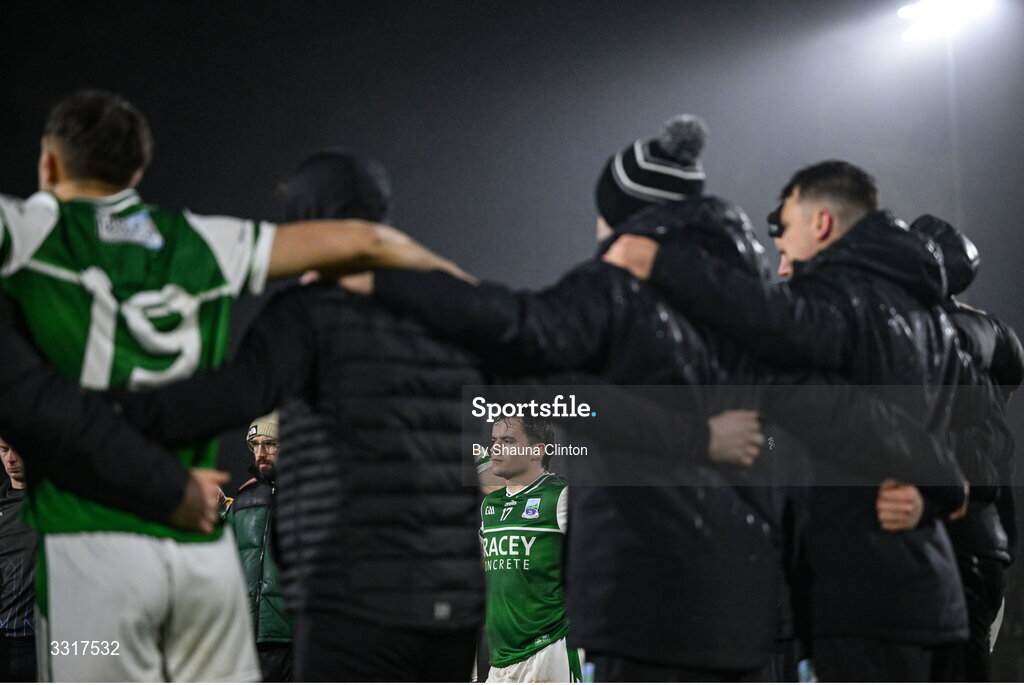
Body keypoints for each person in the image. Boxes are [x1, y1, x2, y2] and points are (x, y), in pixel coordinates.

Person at [360, 119, 966, 680]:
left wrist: (385, 277)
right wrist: (942, 481)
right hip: (747, 600)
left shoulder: (612, 289)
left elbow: (524, 342)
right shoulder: (761, 308)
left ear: (621, 218)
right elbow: (850, 415)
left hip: (639, 592)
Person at [0, 89, 459, 682]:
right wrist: (468, 299)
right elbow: (363, 240)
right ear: (138, 168)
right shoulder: (203, 240)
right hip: (200, 556)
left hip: (94, 543)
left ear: (49, 163)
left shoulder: (28, 230)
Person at [601, 160, 998, 681]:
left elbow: (791, 356)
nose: (781, 258)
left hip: (857, 597)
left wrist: (665, 265)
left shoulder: (839, 305)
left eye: (786, 234)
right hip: (926, 591)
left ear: (822, 224)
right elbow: (976, 442)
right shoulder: (933, 324)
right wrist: (940, 489)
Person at [107, 148, 487, 682]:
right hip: (450, 604)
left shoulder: (312, 313)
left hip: (351, 601)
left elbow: (228, 397)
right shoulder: (457, 305)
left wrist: (105, 416)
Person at [481, 417, 580, 683]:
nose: (496, 448)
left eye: (508, 441)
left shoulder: (559, 496)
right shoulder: (490, 505)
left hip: (549, 648)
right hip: (500, 657)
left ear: (537, 450)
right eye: (494, 441)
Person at [226, 412, 292, 681]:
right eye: (255, 445)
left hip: (292, 635)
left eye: (271, 444)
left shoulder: (308, 494)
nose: (261, 453)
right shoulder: (243, 499)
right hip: (246, 636)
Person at [0, 437, 36, 682]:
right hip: (7, 644)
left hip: (52, 641)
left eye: (17, 448)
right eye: (3, 450)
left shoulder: (57, 504)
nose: (10, 458)